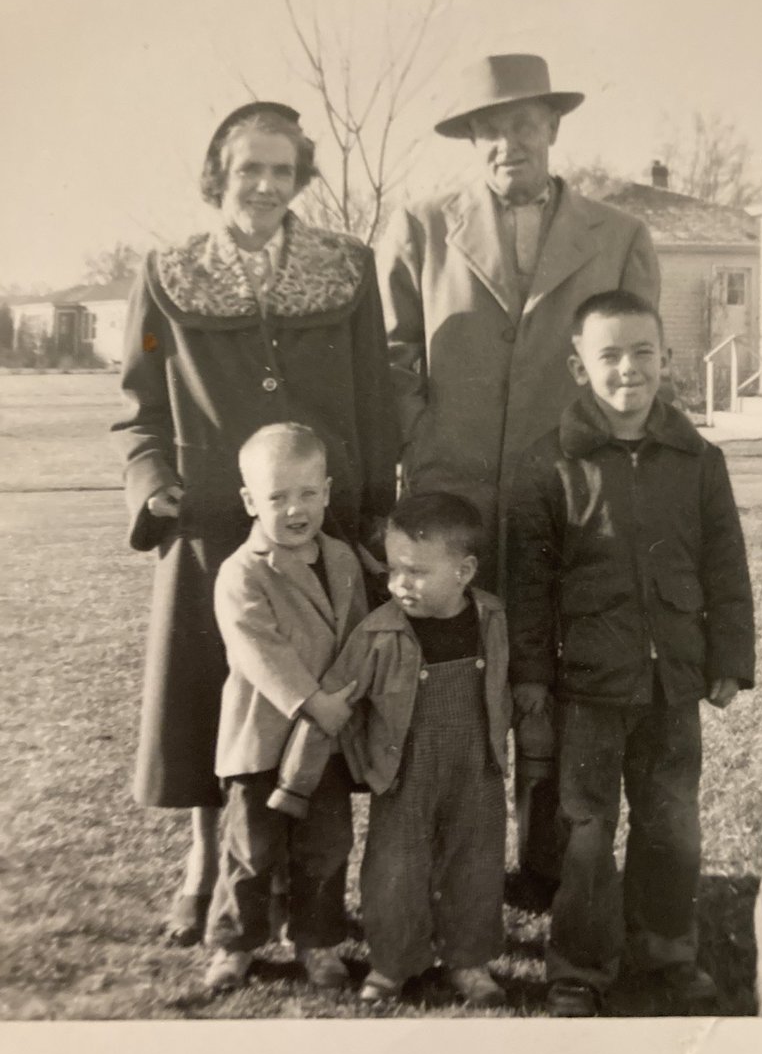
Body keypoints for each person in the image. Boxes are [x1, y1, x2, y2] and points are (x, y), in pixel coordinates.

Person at [377, 52, 661, 903]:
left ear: (555, 129)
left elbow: (639, 369)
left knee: (557, 673)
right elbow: (389, 356)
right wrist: (425, 441)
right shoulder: (421, 226)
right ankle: (441, 860)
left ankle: (546, 863)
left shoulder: (619, 235)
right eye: (491, 129)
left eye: (525, 125)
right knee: (448, 680)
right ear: (473, 140)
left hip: (572, 501)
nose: (510, 143)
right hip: (449, 499)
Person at [111, 102, 397, 946]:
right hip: (210, 523)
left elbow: (375, 396)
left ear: (300, 177)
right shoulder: (168, 273)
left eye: (282, 170)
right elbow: (137, 408)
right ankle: (205, 868)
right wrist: (152, 482)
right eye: (248, 171)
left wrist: (374, 506)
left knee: (315, 694)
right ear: (217, 178)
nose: (266, 186)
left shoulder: (345, 268)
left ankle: (305, 882)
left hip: (321, 524)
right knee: (210, 705)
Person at [506, 289, 755, 1017]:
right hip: (588, 686)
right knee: (585, 829)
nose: (628, 370)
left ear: (666, 360)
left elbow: (726, 565)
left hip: (675, 681)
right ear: (580, 367)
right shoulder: (548, 463)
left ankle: (667, 951)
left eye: (642, 352)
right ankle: (579, 966)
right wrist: (531, 678)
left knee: (672, 820)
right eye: (608, 355)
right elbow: (528, 584)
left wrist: (728, 657)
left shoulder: (698, 457)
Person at [272, 492, 512, 1007]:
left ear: (464, 571)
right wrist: (296, 783)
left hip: (478, 772)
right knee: (394, 871)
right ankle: (392, 964)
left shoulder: (493, 620)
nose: (400, 583)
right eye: (393, 570)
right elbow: (329, 707)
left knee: (475, 866)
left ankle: (468, 963)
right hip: (403, 777)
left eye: (417, 572)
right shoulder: (379, 633)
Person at [202, 423, 367, 991]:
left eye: (306, 494)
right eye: (276, 497)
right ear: (250, 501)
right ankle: (235, 944)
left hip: (325, 744)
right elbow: (257, 649)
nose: (294, 509)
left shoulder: (344, 560)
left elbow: (361, 637)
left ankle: (317, 941)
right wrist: (313, 701)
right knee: (251, 847)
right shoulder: (241, 571)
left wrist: (345, 701)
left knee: (326, 846)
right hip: (262, 736)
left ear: (326, 491)